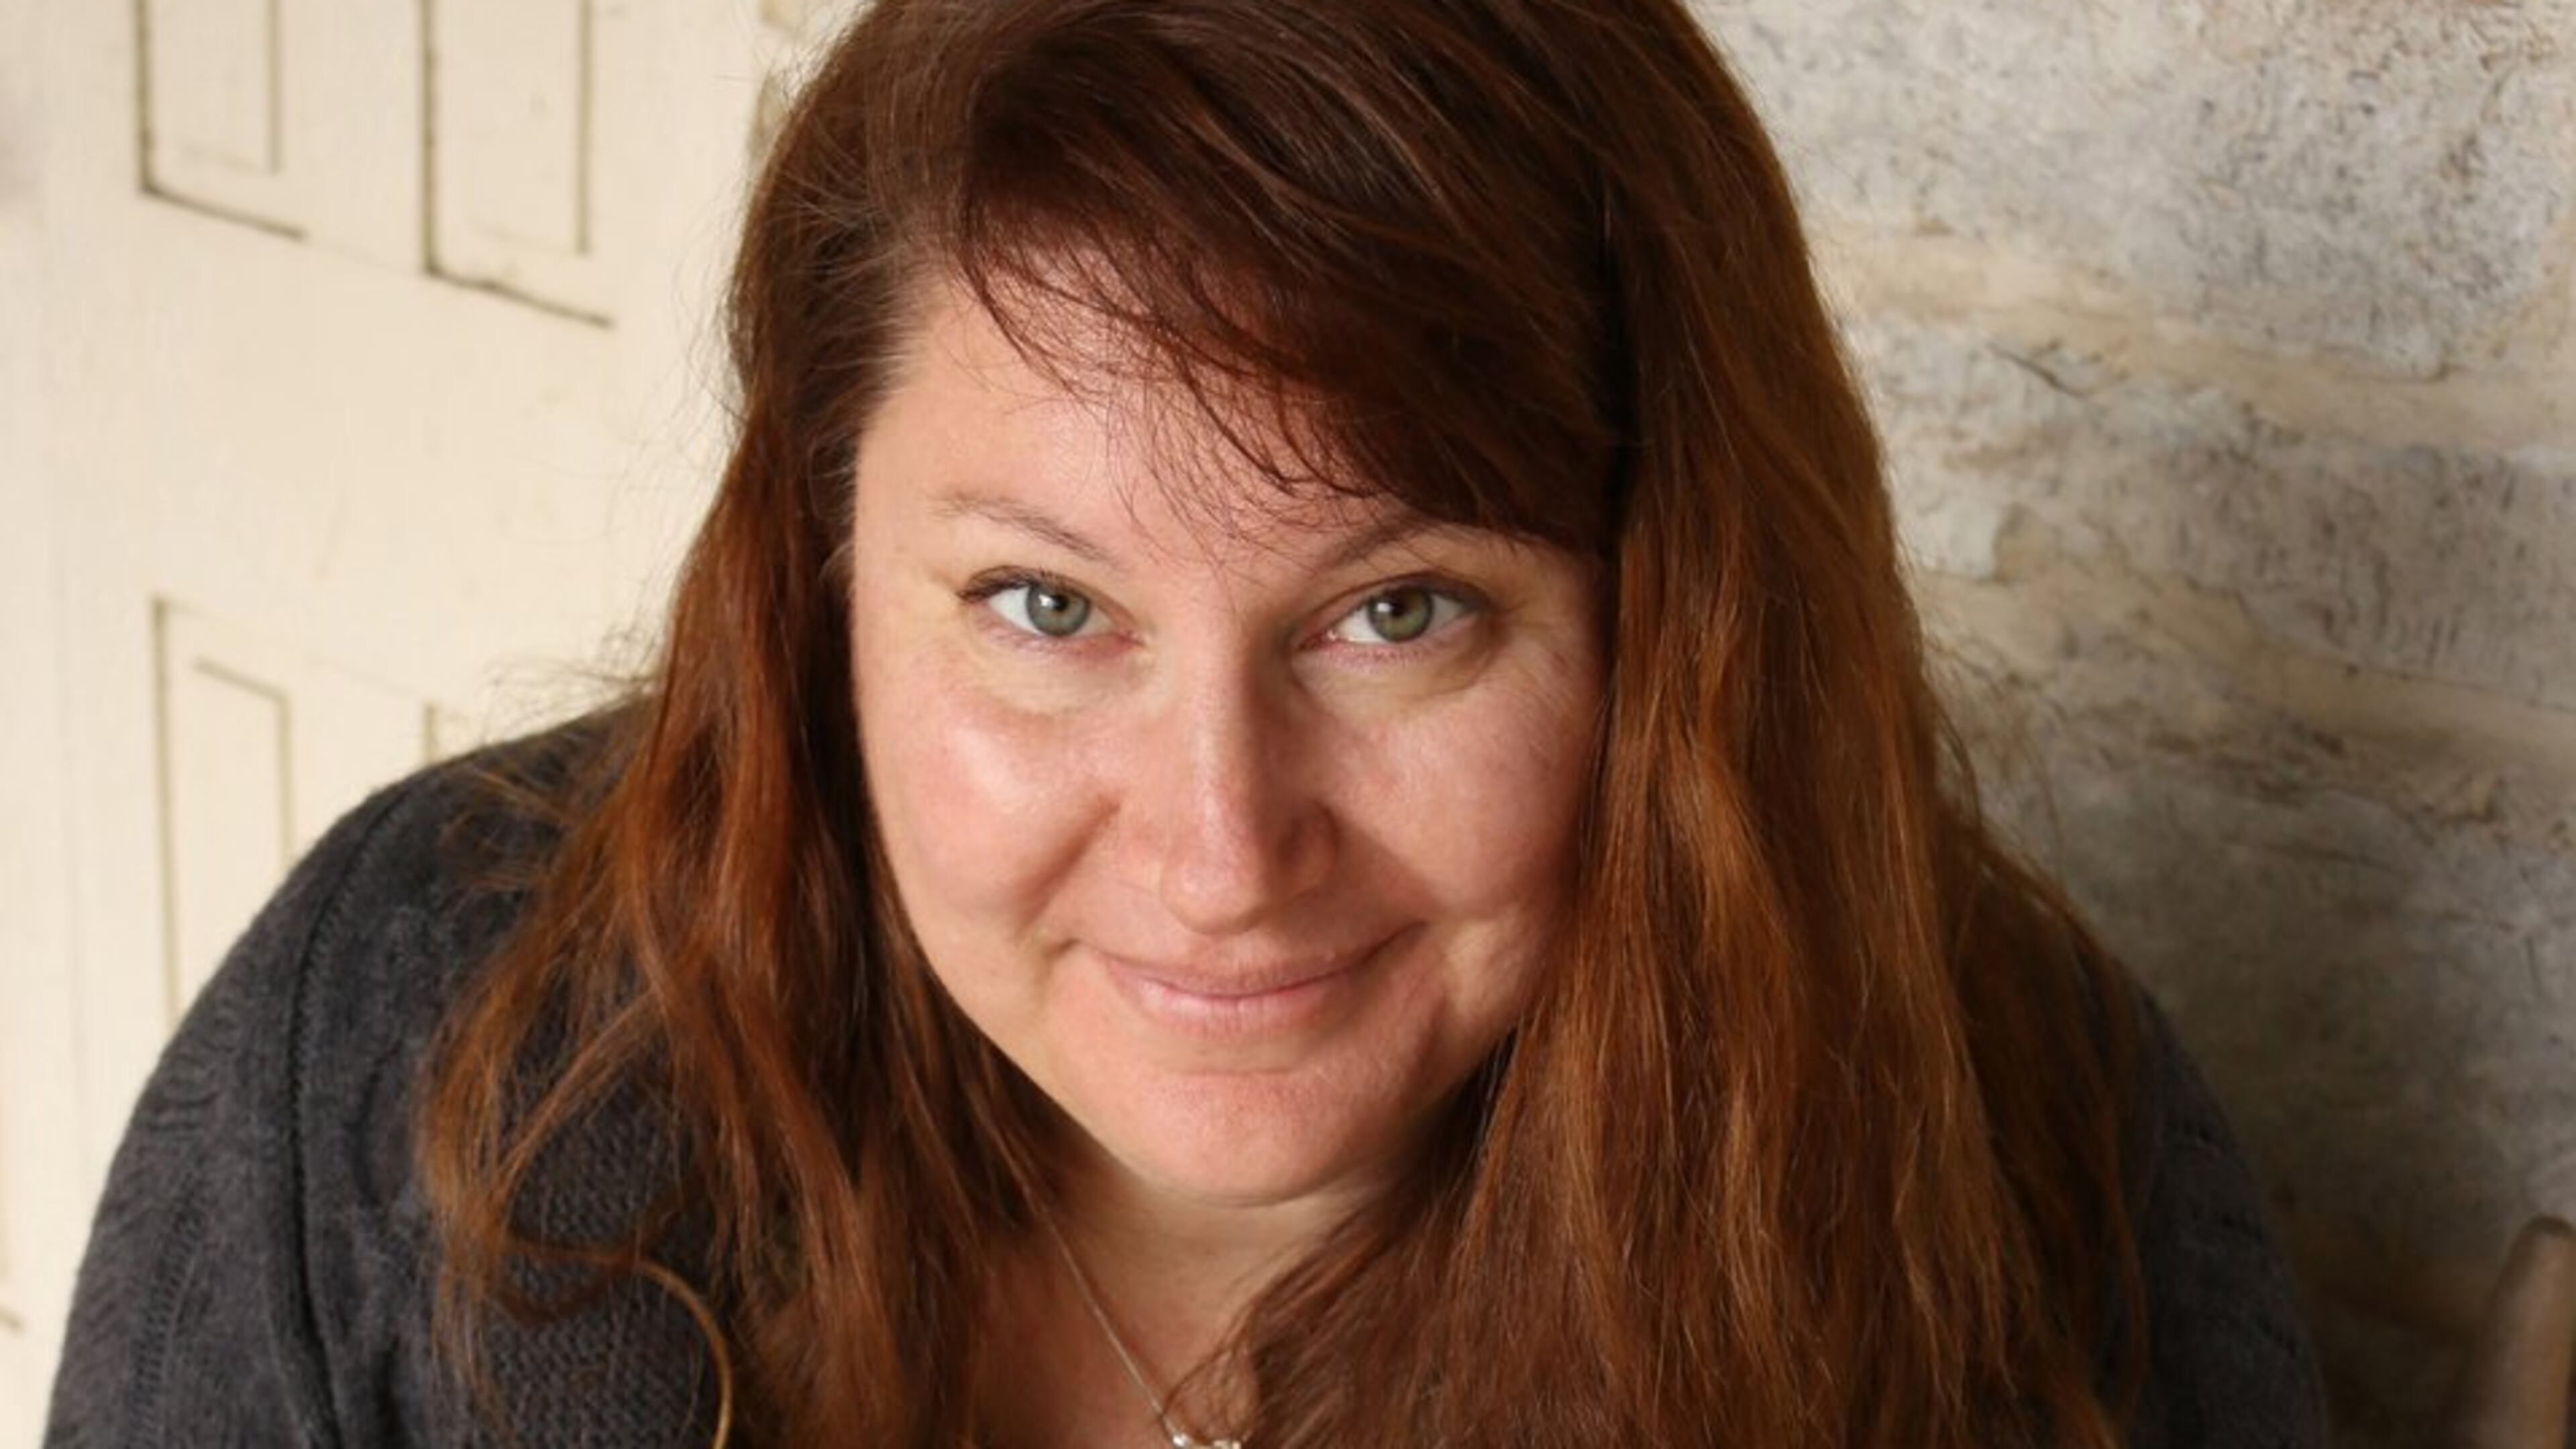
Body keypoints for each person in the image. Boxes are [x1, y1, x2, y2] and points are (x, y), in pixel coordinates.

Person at [47, 1, 2330, 1444]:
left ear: (1682, 640)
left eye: (1399, 612)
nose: (1224, 850)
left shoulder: (2043, 1187)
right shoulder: (406, 1037)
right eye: (1046, 606)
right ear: (814, 587)